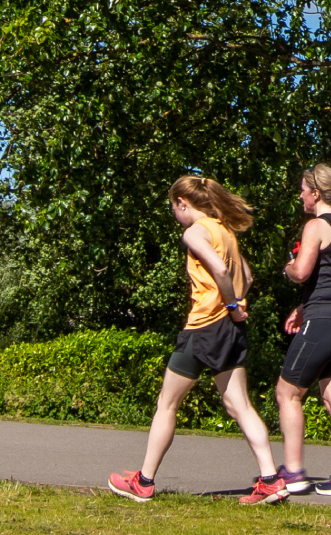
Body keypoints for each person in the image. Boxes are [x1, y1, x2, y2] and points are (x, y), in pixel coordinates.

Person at [107, 175, 290, 506]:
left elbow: (220, 270)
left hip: (204, 327)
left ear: (182, 203)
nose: (174, 214)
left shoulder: (195, 231)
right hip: (230, 331)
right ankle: (270, 480)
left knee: (167, 402)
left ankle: (143, 482)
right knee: (240, 405)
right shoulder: (226, 231)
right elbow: (246, 276)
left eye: (172, 207)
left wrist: (230, 306)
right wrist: (236, 308)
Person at [274, 164, 331, 497]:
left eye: (302, 189)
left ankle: (294, 472)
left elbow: (301, 273)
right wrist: (302, 308)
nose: (299, 195)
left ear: (315, 193)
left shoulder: (315, 225)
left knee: (287, 393)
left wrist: (287, 266)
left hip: (325, 321)